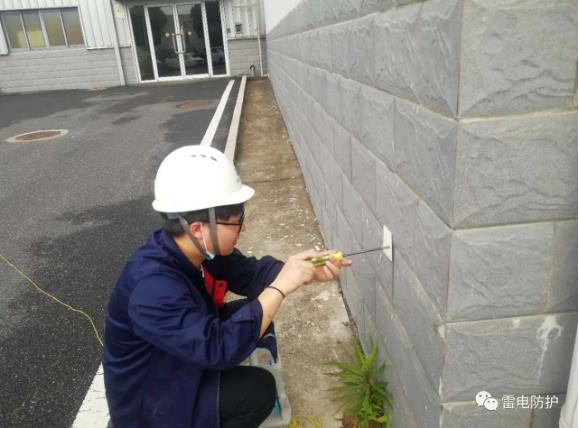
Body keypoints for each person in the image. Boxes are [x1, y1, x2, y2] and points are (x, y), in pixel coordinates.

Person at [103, 145, 351, 428]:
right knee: (258, 391)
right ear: (198, 228)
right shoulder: (152, 290)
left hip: (174, 361)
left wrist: (303, 270)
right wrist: (280, 287)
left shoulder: (195, 249)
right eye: (235, 222)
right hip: (153, 403)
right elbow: (217, 348)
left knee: (255, 311)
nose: (243, 228)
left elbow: (250, 274)